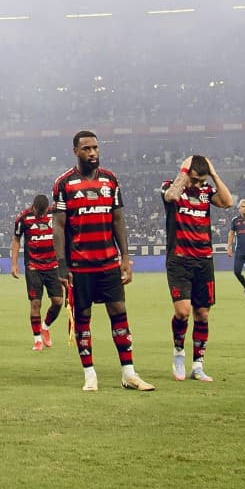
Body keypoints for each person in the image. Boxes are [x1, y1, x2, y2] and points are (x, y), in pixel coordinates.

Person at [52, 130, 154, 393]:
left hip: (108, 262)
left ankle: (128, 373)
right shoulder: (64, 183)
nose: (93, 153)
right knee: (83, 318)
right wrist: (62, 265)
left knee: (119, 313)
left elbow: (118, 220)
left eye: (95, 148)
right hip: (80, 266)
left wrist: (125, 258)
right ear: (76, 151)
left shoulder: (110, 180)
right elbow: (59, 227)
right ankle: (90, 375)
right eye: (86, 148)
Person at [162, 155, 233, 382]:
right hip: (179, 259)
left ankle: (198, 364)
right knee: (182, 312)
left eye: (201, 181)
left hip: (204, 260)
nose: (197, 185)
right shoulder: (172, 187)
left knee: (202, 314)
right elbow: (171, 195)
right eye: (194, 180)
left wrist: (213, 174)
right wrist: (185, 174)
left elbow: (228, 202)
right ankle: (179, 354)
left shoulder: (206, 192)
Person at [10, 194, 63, 351]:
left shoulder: (55, 214)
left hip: (53, 265)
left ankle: (45, 327)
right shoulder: (23, 217)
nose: (39, 216)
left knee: (58, 301)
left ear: (47, 209)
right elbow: (16, 240)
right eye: (37, 212)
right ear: (33, 207)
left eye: (42, 213)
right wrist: (14, 264)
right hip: (33, 266)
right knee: (35, 303)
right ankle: (37, 340)